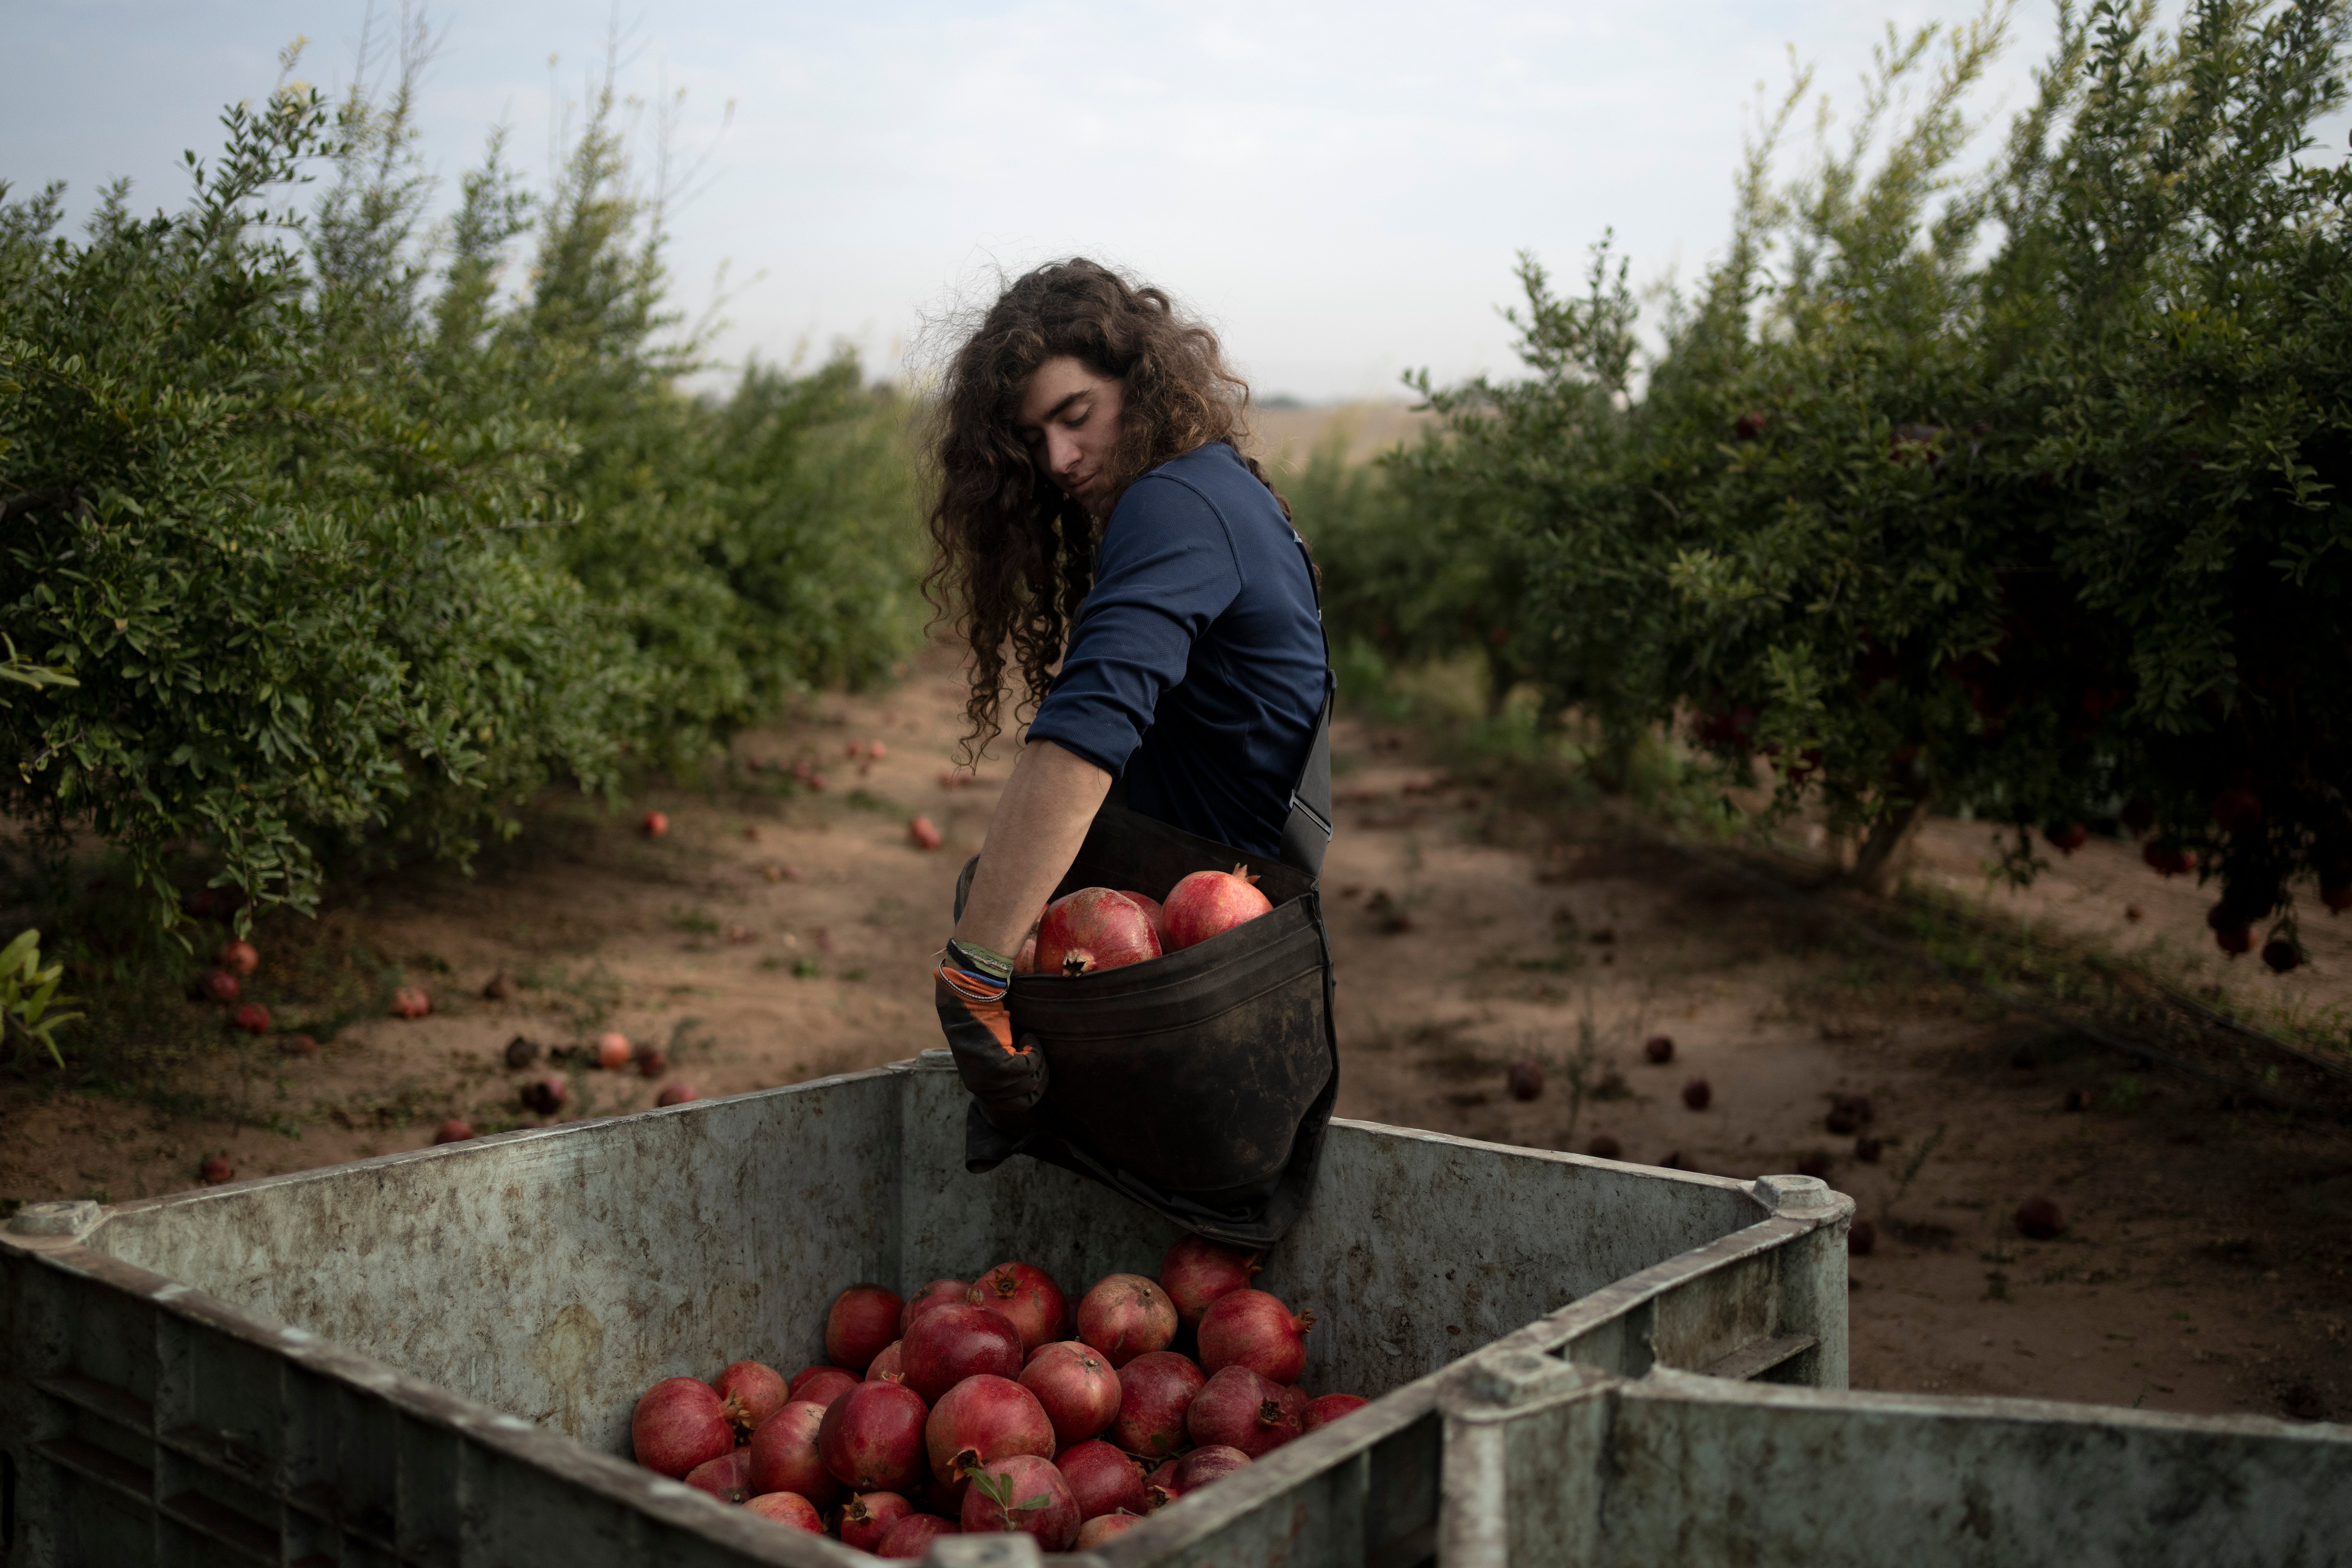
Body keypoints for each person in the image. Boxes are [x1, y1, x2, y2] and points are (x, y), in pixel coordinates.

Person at [927, 258, 1329, 1151]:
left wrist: (977, 969)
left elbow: (1085, 731)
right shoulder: (1226, 492)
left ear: (1140, 382)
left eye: (1075, 417)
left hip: (1178, 985)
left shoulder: (1175, 502)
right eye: (1034, 441)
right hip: (1185, 952)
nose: (1059, 461)